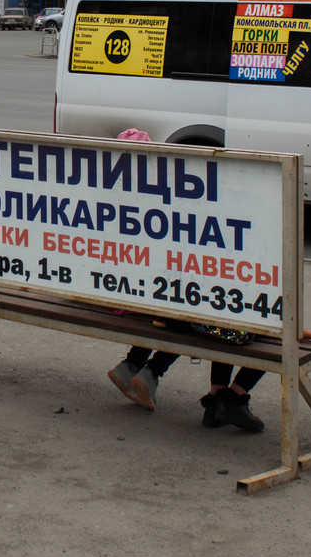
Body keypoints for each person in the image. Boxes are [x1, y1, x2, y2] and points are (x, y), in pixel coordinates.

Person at [102, 129, 266, 430]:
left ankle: (137, 365)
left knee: (195, 309)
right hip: (162, 303)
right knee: (242, 319)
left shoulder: (116, 201)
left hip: (130, 295)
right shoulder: (169, 202)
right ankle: (231, 395)